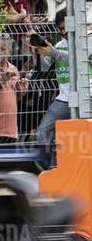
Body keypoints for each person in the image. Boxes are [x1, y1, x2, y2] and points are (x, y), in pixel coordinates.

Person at [31, 17, 70, 169]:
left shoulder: (86, 42)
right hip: (64, 98)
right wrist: (39, 50)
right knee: (43, 132)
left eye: (65, 27)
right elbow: (44, 68)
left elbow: (80, 58)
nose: (63, 31)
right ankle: (50, 168)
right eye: (60, 28)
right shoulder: (59, 45)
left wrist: (53, 52)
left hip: (86, 97)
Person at [2, 0, 31, 67]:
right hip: (4, 42)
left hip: (21, 41)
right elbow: (3, 19)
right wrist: (21, 15)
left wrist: (17, 17)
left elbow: (27, 20)